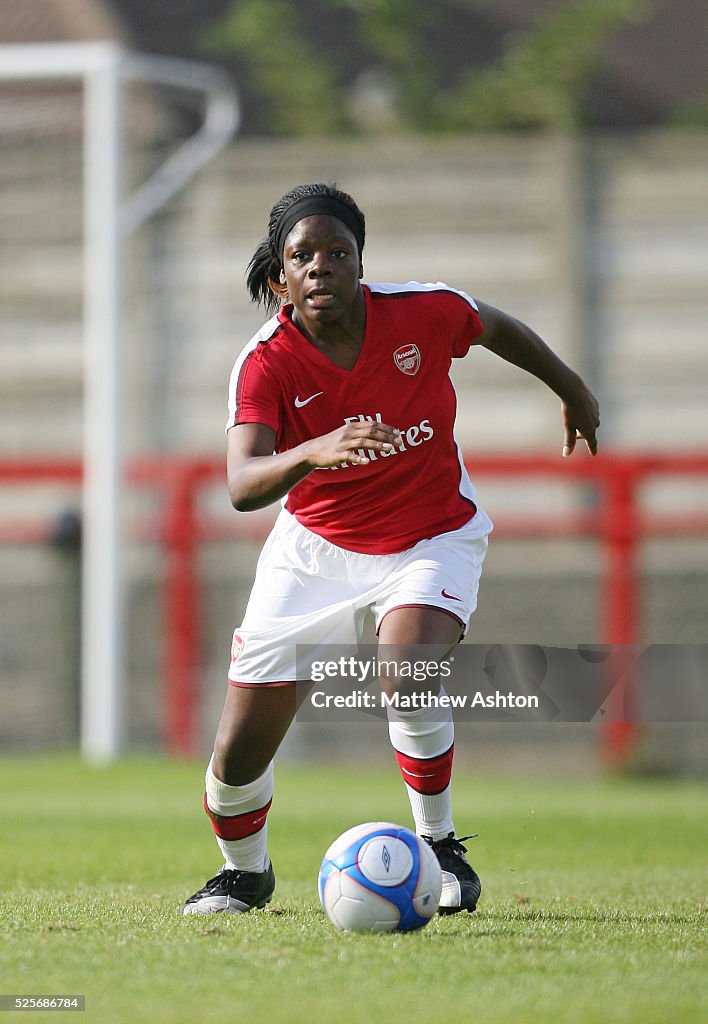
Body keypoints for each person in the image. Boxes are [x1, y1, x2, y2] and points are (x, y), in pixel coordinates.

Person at [183, 182, 599, 917]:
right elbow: (243, 485)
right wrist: (317, 448)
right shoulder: (265, 363)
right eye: (303, 256)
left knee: (405, 671)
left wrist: (569, 386)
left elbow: (497, 327)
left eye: (337, 253)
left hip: (431, 534)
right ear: (281, 276)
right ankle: (245, 873)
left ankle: (438, 847)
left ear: (360, 264)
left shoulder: (424, 312)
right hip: (314, 553)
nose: (321, 268)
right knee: (236, 755)